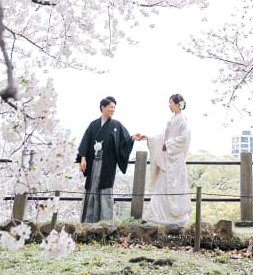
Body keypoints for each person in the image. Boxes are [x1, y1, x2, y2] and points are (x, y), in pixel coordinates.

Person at [134, 93, 191, 226]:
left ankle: (174, 219)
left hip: (174, 161)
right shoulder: (172, 120)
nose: (169, 105)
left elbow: (184, 139)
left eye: (171, 102)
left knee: (171, 188)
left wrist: (169, 144)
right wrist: (147, 137)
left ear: (178, 104)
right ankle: (157, 218)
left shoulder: (182, 121)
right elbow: (162, 137)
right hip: (167, 160)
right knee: (161, 188)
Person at [76, 96, 134, 223]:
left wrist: (133, 139)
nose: (113, 110)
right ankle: (88, 221)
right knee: (91, 189)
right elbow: (85, 142)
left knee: (105, 190)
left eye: (114, 108)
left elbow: (125, 141)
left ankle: (105, 223)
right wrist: (83, 158)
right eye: (110, 107)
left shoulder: (116, 125)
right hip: (93, 163)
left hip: (107, 164)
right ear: (103, 107)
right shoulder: (93, 125)